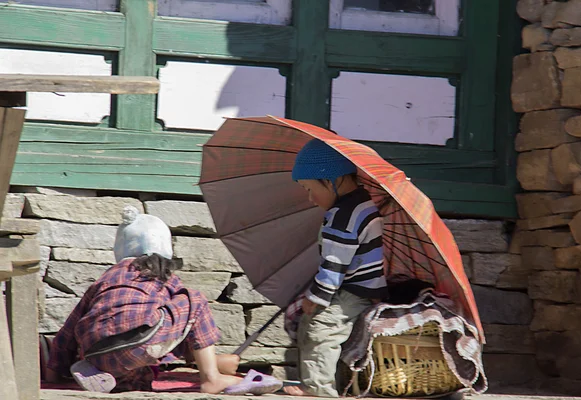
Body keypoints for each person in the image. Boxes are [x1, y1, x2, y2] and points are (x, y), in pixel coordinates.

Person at [44, 206, 272, 394]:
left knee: (137, 367)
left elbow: (69, 330)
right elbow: (180, 330)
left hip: (97, 353)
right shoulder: (164, 278)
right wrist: (208, 361)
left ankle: (110, 377)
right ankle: (212, 378)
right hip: (139, 344)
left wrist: (54, 372)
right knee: (194, 300)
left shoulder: (105, 281)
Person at [284, 139, 388, 397]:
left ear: (332, 181)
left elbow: (334, 264)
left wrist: (317, 298)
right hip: (364, 288)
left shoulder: (342, 216)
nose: (310, 198)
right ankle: (326, 383)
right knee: (324, 331)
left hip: (350, 291)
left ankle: (318, 388)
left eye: (310, 189)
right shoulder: (363, 205)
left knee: (320, 330)